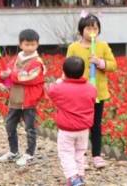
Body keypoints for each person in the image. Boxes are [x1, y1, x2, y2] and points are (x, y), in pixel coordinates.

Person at [65, 13, 116, 169]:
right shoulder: (73, 47)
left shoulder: (102, 46)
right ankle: (81, 156)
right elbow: (66, 67)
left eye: (95, 28)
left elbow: (113, 65)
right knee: (80, 125)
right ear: (81, 30)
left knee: (95, 125)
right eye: (88, 28)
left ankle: (96, 155)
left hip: (97, 93)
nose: (92, 31)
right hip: (78, 93)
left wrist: (100, 62)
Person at [0, 29, 45, 167]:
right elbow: (5, 73)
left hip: (29, 101)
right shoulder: (16, 59)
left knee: (30, 128)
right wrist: (2, 75)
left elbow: (27, 77)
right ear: (20, 44)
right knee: (10, 125)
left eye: (33, 44)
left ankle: (29, 154)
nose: (30, 47)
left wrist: (10, 74)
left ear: (37, 44)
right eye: (27, 44)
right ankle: (13, 151)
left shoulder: (37, 62)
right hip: (15, 100)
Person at [46, 56, 97, 186]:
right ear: (83, 72)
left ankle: (73, 178)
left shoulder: (60, 88)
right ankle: (79, 175)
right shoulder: (91, 88)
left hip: (66, 129)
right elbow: (93, 97)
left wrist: (60, 80)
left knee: (66, 153)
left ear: (64, 72)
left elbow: (50, 90)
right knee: (80, 153)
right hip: (84, 129)